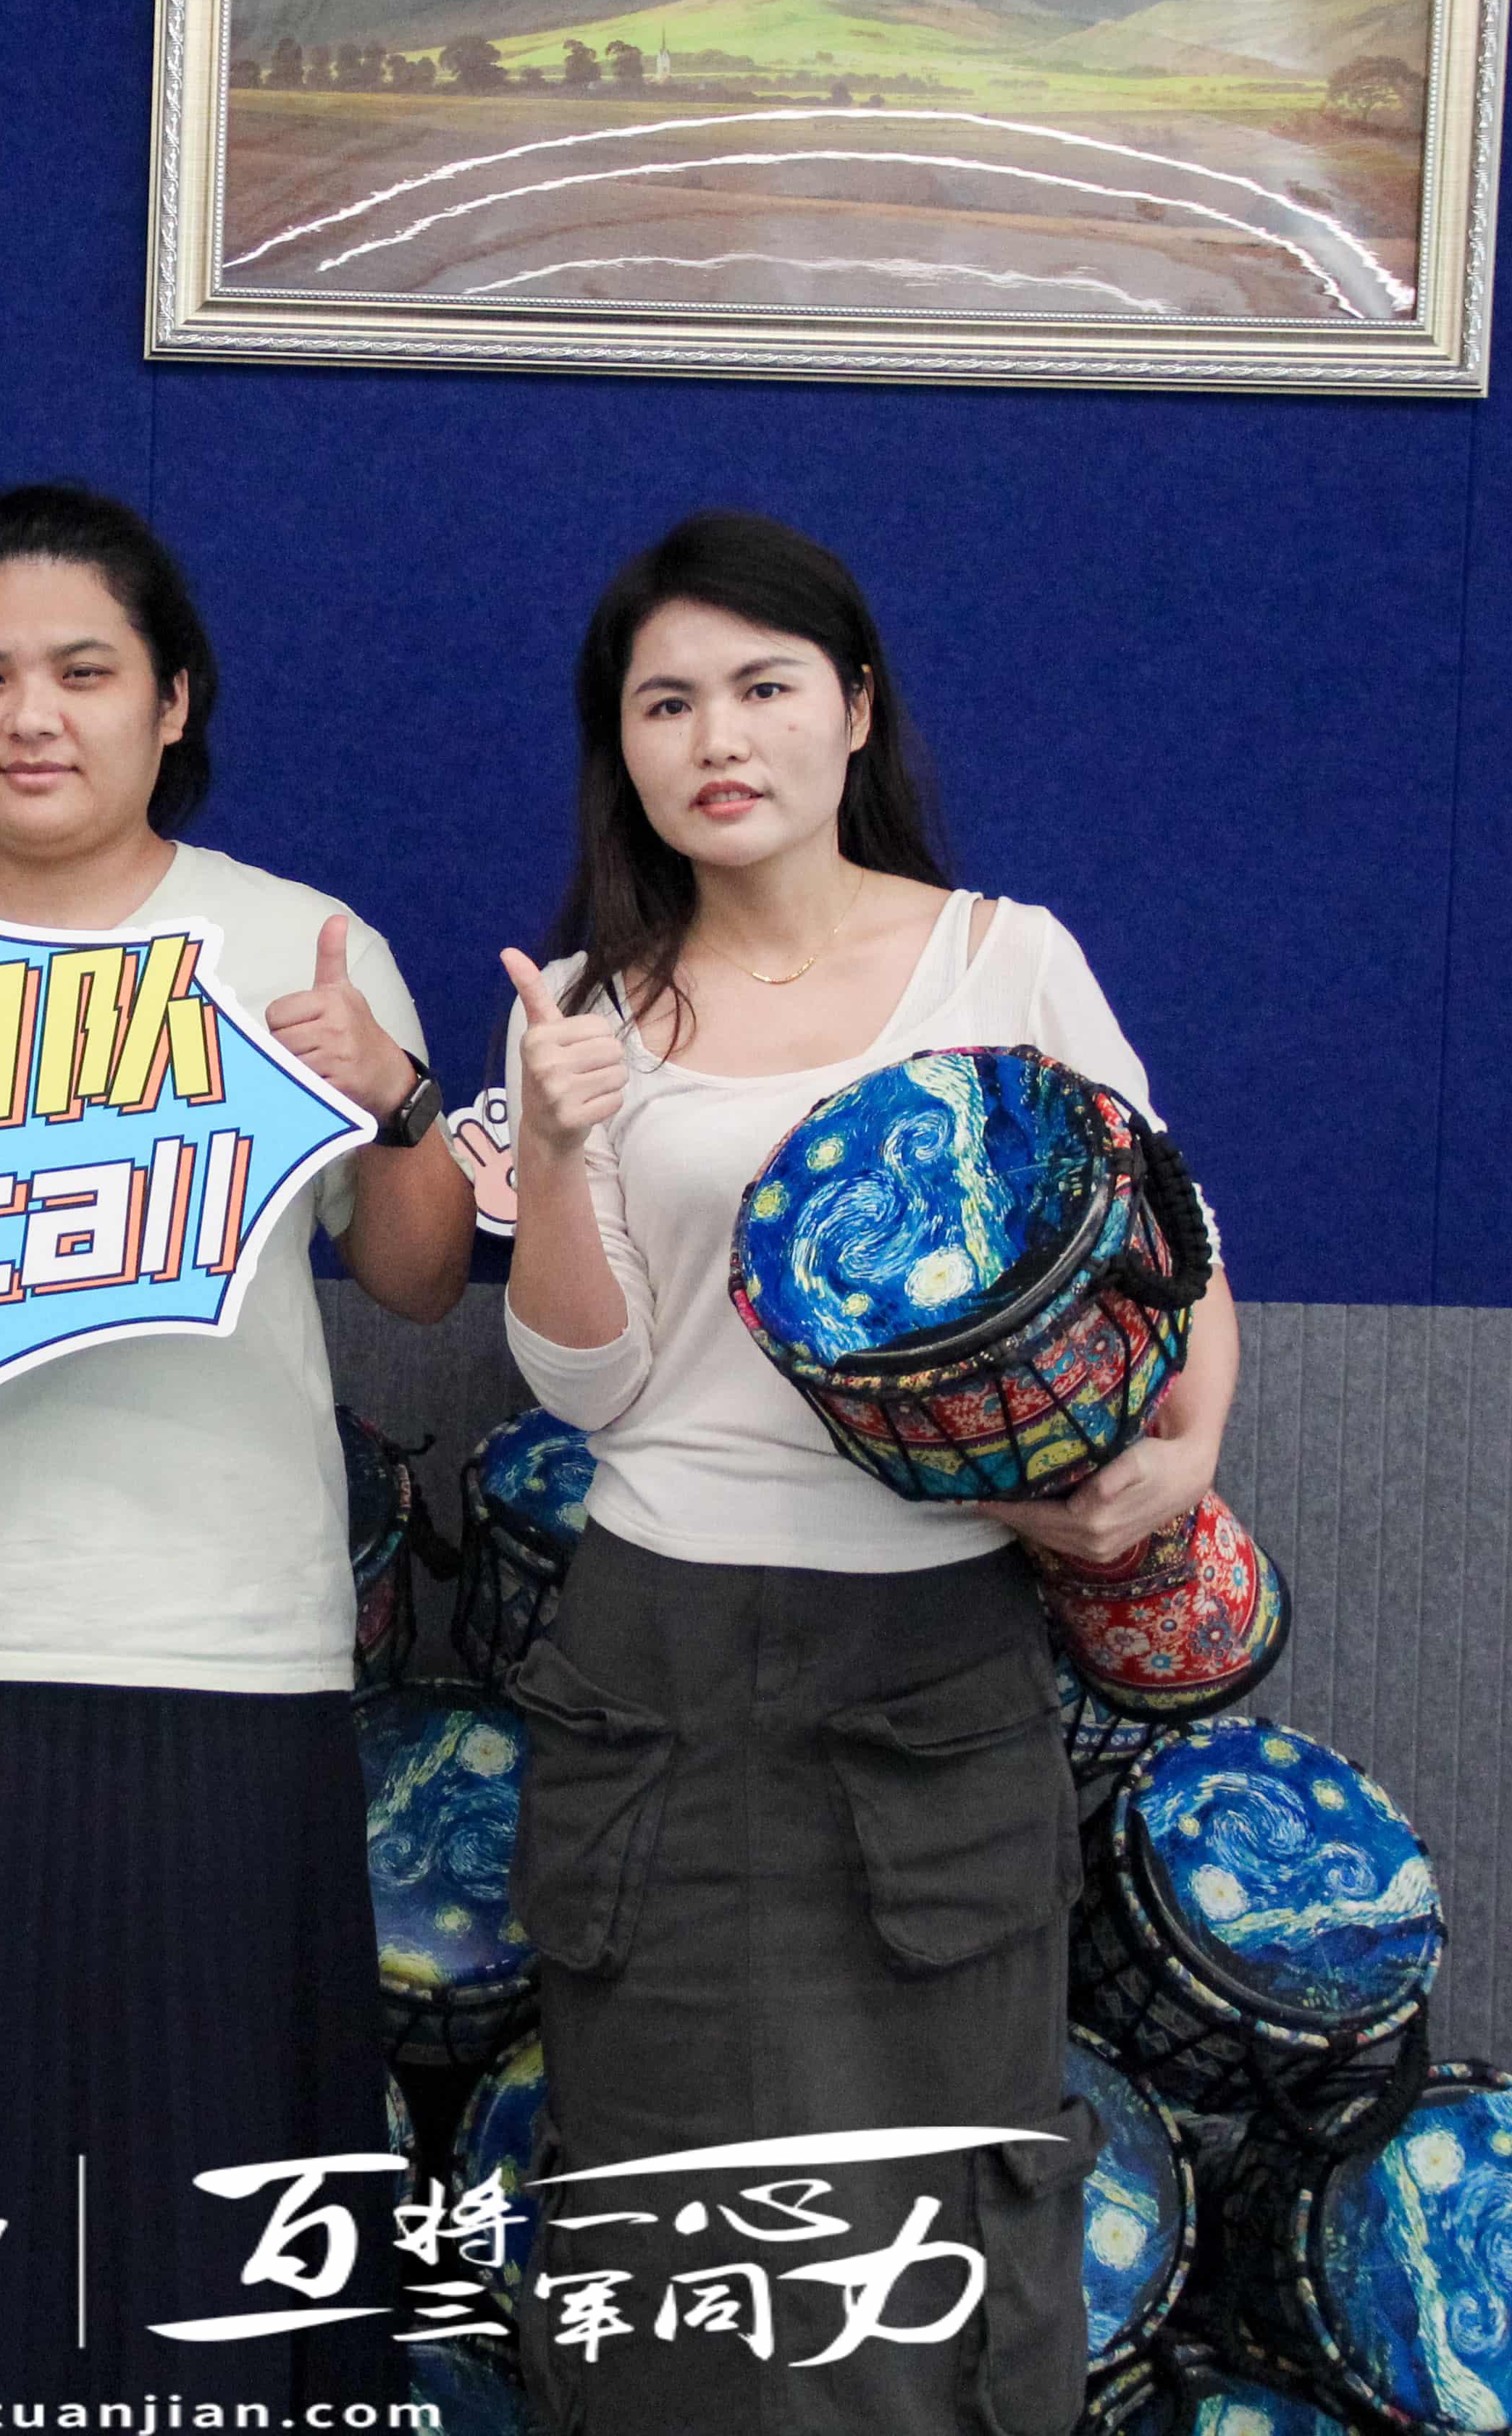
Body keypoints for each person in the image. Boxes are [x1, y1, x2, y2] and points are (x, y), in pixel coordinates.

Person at [0, 482, 476, 2429]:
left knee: (205, 2212)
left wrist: (400, 1100)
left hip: (223, 1655)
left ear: (173, 700)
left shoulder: (293, 941)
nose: (31, 717)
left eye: (81, 671)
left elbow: (416, 1281)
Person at [496, 510, 1240, 2435]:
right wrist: (560, 1144)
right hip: (656, 1666)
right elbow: (586, 1383)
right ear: (622, 745)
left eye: (762, 687)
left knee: (935, 2239)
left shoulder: (1004, 956)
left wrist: (1180, 1463)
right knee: (672, 2243)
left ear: (854, 709)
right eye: (667, 702)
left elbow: (1171, 1242)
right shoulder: (585, 1005)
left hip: (931, 1663)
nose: (716, 737)